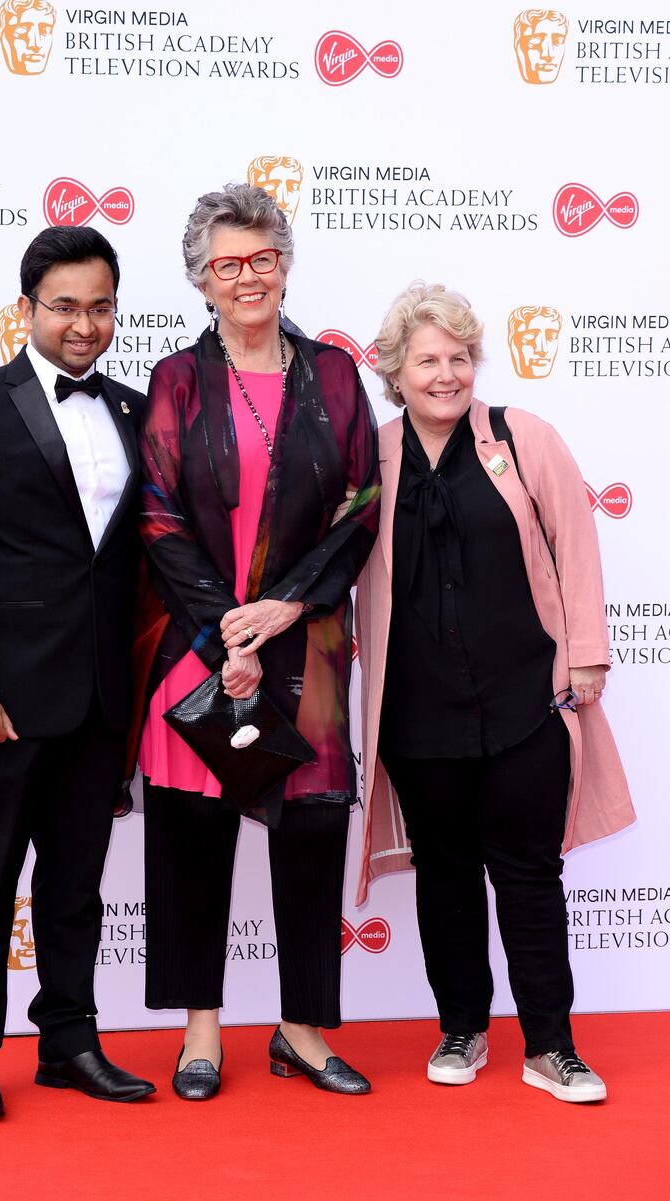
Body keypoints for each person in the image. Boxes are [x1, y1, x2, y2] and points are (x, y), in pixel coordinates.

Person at [355, 282, 635, 1104]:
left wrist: (586, 656)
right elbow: (337, 566)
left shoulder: (525, 438)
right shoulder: (372, 455)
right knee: (445, 873)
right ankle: (462, 1028)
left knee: (528, 873)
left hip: (526, 702)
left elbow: (577, 547)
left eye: (460, 357)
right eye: (428, 360)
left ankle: (552, 1044)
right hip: (416, 710)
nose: (447, 374)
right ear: (395, 373)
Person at [137, 183, 380, 1099]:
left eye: (263, 258)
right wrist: (224, 627)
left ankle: (301, 1030)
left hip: (307, 641)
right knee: (193, 836)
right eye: (228, 263)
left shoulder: (333, 375)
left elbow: (360, 506)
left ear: (285, 264)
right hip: (202, 644)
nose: (248, 276)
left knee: (312, 832)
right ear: (202, 277)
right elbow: (156, 513)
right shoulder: (179, 379)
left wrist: (282, 607)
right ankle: (202, 1034)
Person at [0, 226, 155, 1118]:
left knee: (75, 886)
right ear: (28, 310)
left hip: (98, 694)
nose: (84, 325)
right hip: (2, 698)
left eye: (100, 306)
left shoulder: (133, 411)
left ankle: (69, 1042)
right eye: (65, 307)